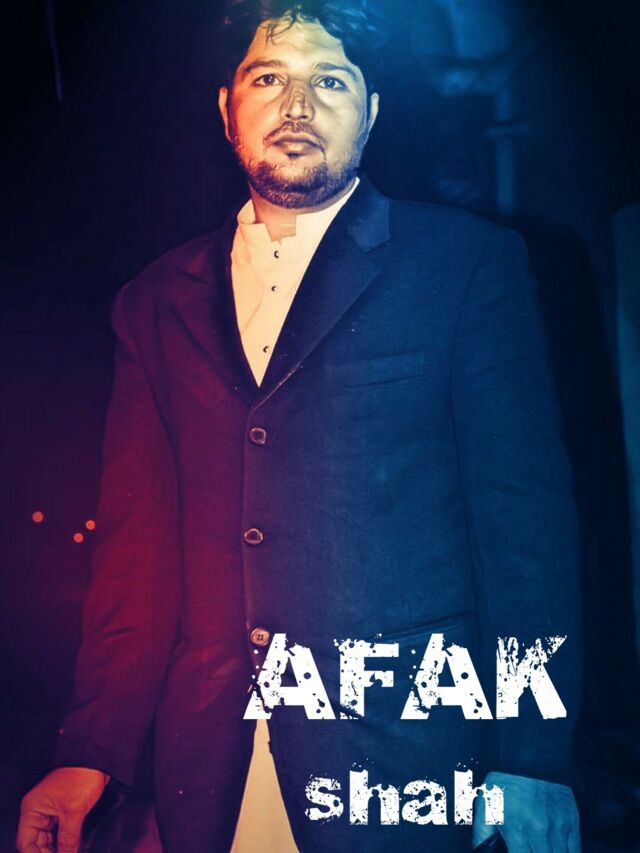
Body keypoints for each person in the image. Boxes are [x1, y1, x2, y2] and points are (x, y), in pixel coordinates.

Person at [17, 2, 583, 851]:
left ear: (372, 111)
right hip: (215, 768)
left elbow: (524, 530)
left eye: (331, 81)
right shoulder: (154, 301)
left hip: (406, 757)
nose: (296, 105)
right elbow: (136, 556)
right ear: (227, 108)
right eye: (268, 78)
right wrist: (88, 751)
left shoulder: (466, 266)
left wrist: (534, 757)